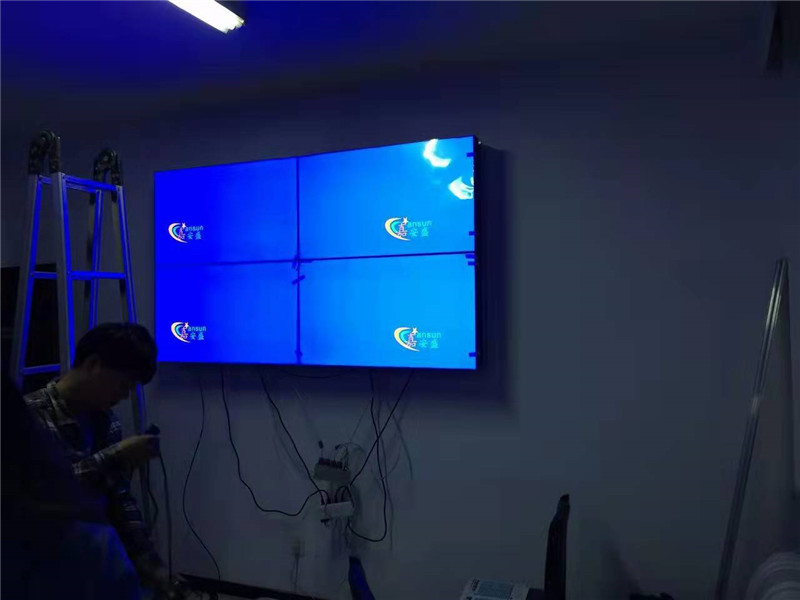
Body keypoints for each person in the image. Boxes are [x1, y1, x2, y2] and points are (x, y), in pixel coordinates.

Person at [23, 323, 171, 596]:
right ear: (93, 364)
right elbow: (51, 494)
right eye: (123, 384)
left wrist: (149, 562)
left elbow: (119, 498)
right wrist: (116, 456)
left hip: (91, 558)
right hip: (39, 561)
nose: (124, 396)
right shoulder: (30, 417)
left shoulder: (105, 421)